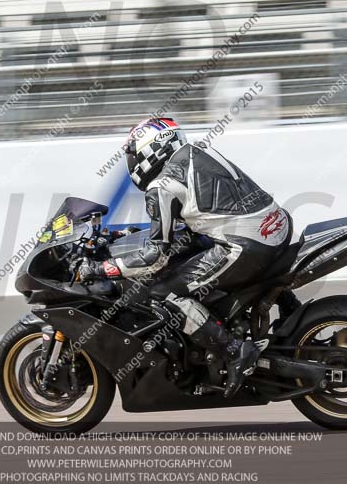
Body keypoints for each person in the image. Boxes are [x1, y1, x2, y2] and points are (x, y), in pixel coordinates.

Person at [77, 117, 292, 397]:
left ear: (150, 150)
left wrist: (102, 269)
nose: (132, 162)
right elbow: (199, 217)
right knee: (191, 258)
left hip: (245, 245)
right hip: (276, 226)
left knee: (162, 292)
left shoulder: (162, 186)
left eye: (133, 154)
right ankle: (287, 313)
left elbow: (155, 258)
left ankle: (236, 351)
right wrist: (129, 233)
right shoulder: (197, 152)